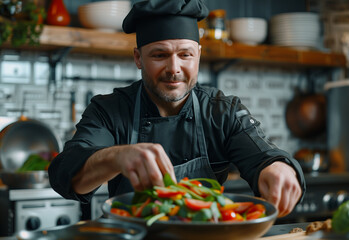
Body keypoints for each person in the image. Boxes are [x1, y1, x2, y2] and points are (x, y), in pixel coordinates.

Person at [49, 0, 305, 218]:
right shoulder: (110, 110)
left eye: (185, 55)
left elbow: (264, 156)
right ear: (138, 57)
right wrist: (116, 157)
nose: (174, 68)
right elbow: (66, 175)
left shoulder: (221, 111)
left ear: (199, 55)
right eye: (159, 55)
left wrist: (279, 168)